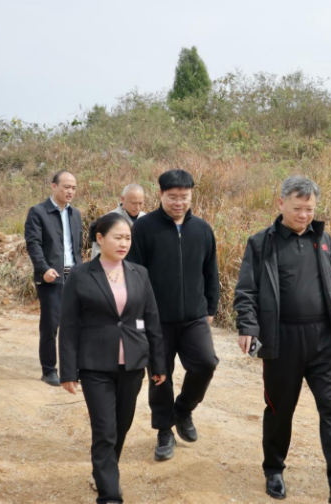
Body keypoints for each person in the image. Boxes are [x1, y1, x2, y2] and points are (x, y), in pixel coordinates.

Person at [234, 176, 331, 504]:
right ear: (281, 204)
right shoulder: (261, 243)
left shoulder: (323, 238)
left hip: (322, 339)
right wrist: (248, 326)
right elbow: (246, 289)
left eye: (310, 209)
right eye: (297, 208)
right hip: (282, 339)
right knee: (280, 409)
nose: (304, 215)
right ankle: (274, 469)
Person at [60, 213, 166, 504]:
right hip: (95, 365)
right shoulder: (81, 274)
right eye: (118, 237)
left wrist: (158, 364)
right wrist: (67, 371)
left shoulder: (139, 273)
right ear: (100, 238)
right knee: (105, 430)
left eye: (128, 238)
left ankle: (104, 473)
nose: (123, 243)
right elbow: (68, 325)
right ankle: (109, 495)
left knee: (121, 426)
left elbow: (152, 320)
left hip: (132, 364)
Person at [127, 169, 219, 462]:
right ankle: (164, 430)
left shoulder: (202, 229)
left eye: (184, 197)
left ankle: (183, 409)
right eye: (172, 197)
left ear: (191, 195)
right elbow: (133, 274)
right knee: (159, 376)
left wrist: (211, 309)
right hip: (156, 319)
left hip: (194, 317)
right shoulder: (144, 228)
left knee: (206, 363)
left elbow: (211, 272)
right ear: (161, 194)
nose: (179, 203)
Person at [25, 171, 83, 387]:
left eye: (73, 188)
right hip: (51, 276)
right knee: (51, 325)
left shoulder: (75, 214)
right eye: (66, 187)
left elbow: (77, 247)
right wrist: (44, 269)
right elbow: (34, 244)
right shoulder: (38, 212)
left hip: (73, 275)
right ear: (54, 186)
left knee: (77, 324)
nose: (70, 191)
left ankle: (74, 369)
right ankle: (49, 370)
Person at [90, 184, 146, 259]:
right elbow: (97, 251)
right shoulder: (108, 220)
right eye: (134, 203)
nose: (137, 207)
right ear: (122, 199)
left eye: (140, 203)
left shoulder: (146, 219)